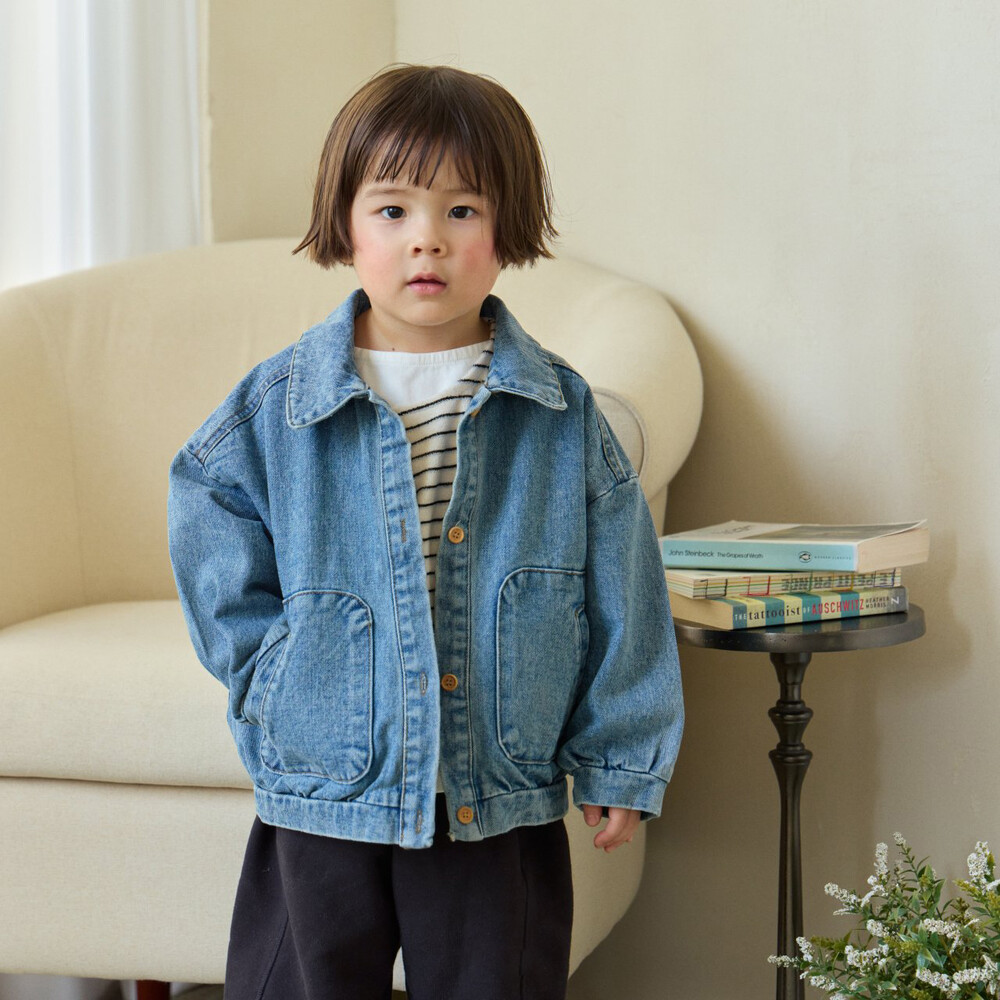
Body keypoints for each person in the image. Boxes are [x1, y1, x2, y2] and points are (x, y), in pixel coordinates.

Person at [167, 63, 684, 1000]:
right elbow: (208, 502)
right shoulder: (281, 405)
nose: (427, 240)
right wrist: (271, 670)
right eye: (393, 209)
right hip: (327, 783)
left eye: (462, 210)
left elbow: (626, 592)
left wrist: (620, 760)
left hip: (495, 791)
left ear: (508, 228)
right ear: (345, 224)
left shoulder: (561, 414)